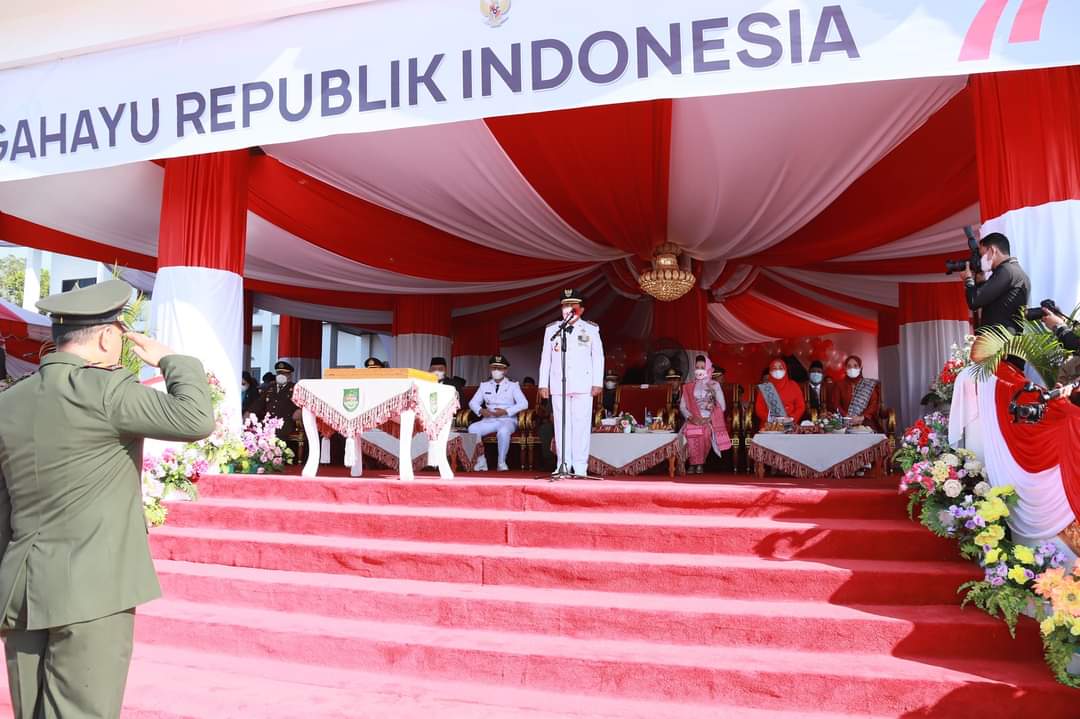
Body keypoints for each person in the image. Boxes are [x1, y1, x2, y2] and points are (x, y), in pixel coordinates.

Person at [0, 279, 214, 719]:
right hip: (92, 592)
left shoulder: (11, 399)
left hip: (21, 588)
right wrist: (172, 360)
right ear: (105, 337)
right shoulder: (108, 391)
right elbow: (195, 418)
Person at [538, 289, 604, 477]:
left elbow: (597, 357)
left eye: (572, 305)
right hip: (559, 384)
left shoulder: (591, 329)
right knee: (561, 426)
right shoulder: (552, 330)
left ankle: (580, 466)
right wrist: (543, 383)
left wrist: (597, 382)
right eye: (565, 305)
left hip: (583, 384)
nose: (568, 309)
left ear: (581, 310)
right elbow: (546, 358)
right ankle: (563, 464)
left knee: (581, 425)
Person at [960, 232, 1030, 334]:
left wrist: (968, 280)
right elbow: (990, 302)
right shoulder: (1014, 270)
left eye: (982, 255)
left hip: (999, 339)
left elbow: (974, 301)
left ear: (993, 250)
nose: (980, 260)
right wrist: (981, 282)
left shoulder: (1006, 270)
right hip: (1004, 337)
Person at [468, 355, 528, 472]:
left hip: (507, 420)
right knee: (472, 429)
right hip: (489, 419)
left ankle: (501, 462)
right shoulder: (484, 385)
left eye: (499, 368)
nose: (496, 370)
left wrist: (506, 411)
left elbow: (524, 403)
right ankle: (481, 461)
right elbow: (473, 402)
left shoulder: (513, 385)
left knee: (503, 431)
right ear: (490, 369)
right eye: (494, 367)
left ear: (505, 370)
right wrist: (481, 410)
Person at [680, 355, 732, 474]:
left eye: (702, 367)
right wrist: (691, 417)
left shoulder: (714, 385)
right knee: (688, 431)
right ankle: (693, 463)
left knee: (705, 432)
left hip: (709, 420)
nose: (699, 370)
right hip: (692, 419)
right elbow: (682, 406)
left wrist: (709, 418)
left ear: (708, 368)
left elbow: (722, 406)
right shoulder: (688, 386)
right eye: (697, 367)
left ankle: (699, 463)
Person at [251, 360, 300, 442]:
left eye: (283, 373)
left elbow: (302, 405)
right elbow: (258, 404)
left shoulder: (295, 389)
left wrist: (299, 410)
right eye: (278, 373)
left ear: (289, 375)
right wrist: (249, 412)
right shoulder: (270, 387)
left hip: (285, 424)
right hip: (268, 423)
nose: (280, 375)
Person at [832, 355, 881, 430]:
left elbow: (873, 404)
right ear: (845, 368)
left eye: (855, 366)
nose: (852, 369)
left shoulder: (868, 384)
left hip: (865, 422)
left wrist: (862, 417)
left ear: (860, 368)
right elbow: (836, 404)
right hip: (844, 421)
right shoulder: (839, 385)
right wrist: (847, 417)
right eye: (849, 366)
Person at [754, 357, 805, 426]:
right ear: (770, 371)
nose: (777, 371)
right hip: (770, 426)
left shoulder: (793, 385)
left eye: (780, 368)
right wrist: (771, 419)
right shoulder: (766, 388)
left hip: (790, 424)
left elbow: (800, 406)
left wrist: (791, 418)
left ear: (785, 370)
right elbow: (759, 409)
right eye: (774, 368)